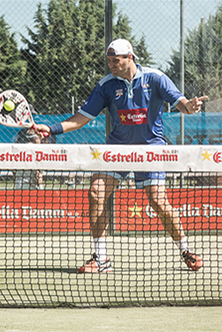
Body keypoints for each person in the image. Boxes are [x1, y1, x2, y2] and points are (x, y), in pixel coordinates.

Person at [36, 39, 207, 273]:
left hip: (151, 149)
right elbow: (83, 117)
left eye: (116, 61)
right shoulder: (105, 85)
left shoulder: (155, 78)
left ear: (130, 58)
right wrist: (52, 128)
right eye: (109, 61)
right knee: (96, 192)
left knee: (158, 202)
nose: (111, 65)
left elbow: (183, 104)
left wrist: (191, 106)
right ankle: (101, 259)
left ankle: (185, 250)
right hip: (117, 148)